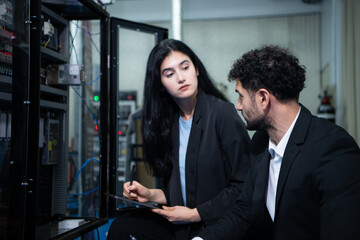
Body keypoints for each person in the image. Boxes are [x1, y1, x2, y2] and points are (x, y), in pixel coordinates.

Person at [194, 45, 360, 240]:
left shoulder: (334, 148)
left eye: (241, 95)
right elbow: (244, 209)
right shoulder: (260, 141)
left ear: (263, 98)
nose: (238, 106)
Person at [107, 39, 250, 240]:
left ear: (196, 69)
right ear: (161, 85)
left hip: (216, 222)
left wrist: (194, 214)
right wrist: (150, 195)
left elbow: (244, 186)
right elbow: (184, 188)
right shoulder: (170, 123)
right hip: (183, 224)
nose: (181, 78)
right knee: (121, 227)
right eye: (170, 74)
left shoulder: (222, 114)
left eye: (185, 67)